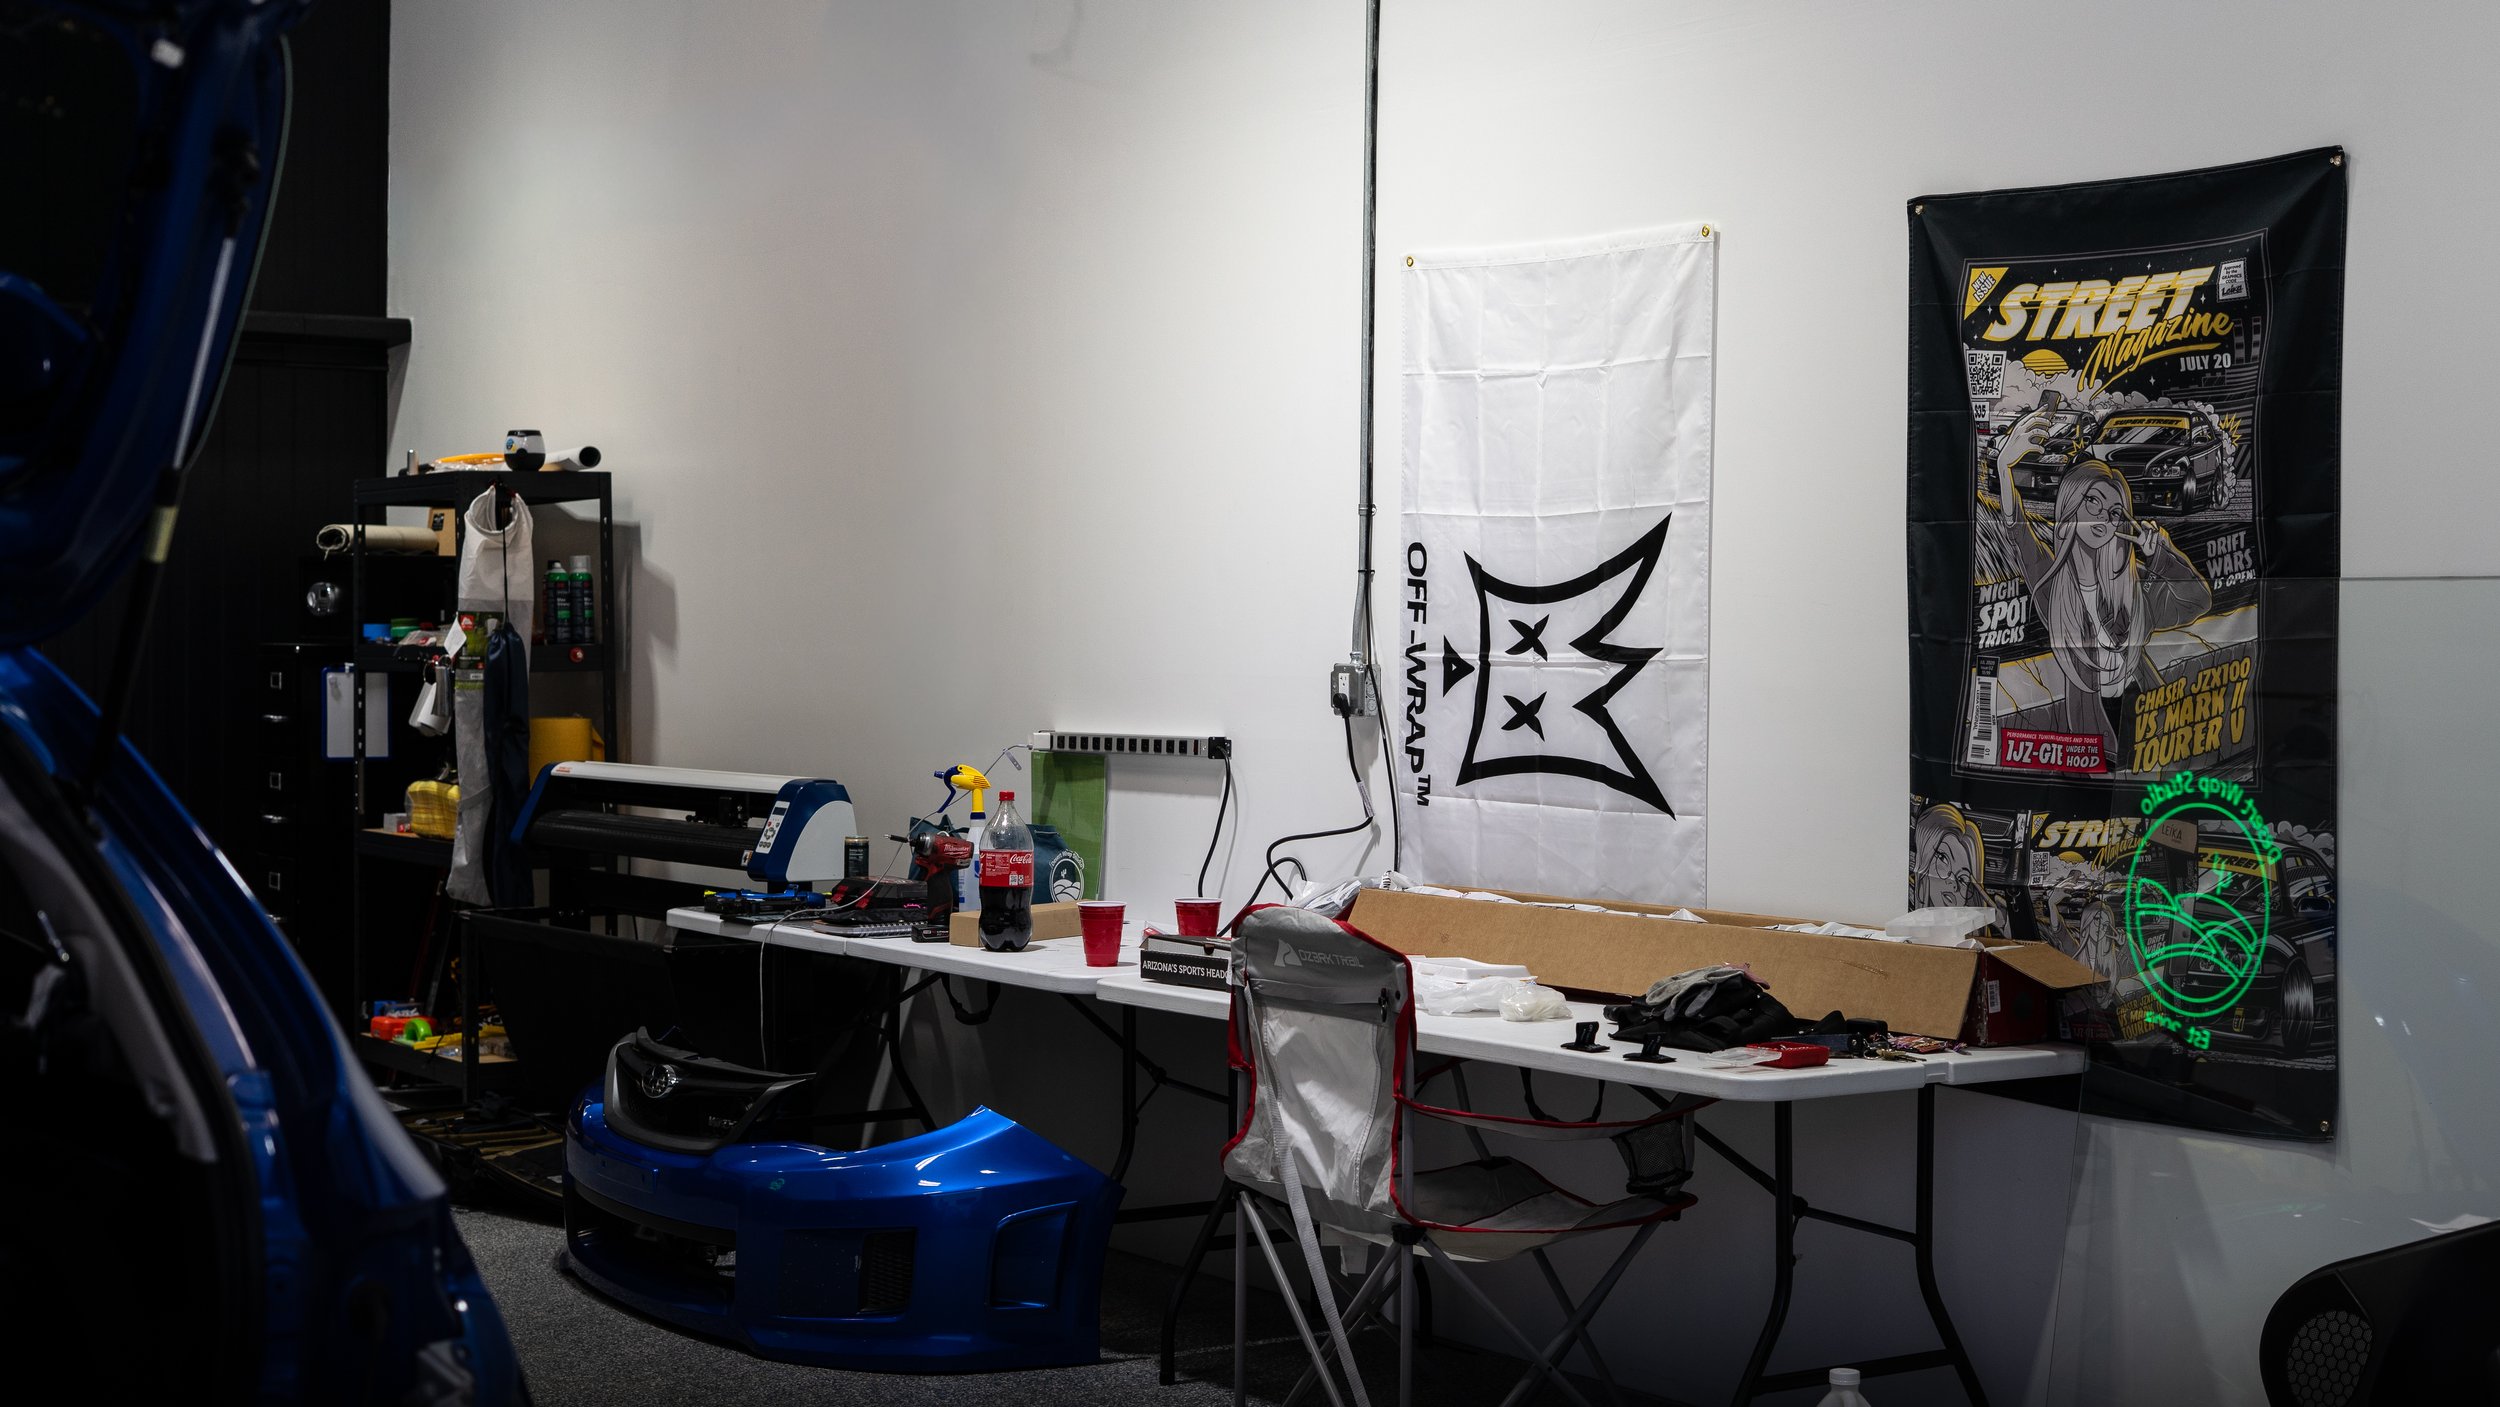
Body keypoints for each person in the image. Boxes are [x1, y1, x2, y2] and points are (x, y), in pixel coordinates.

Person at [1991, 407, 2211, 762]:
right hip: (2094, 732)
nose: (2102, 517)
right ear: (2072, 503)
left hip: (2149, 716)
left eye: (2113, 512)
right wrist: (2004, 468)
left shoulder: (2133, 585)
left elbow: (2198, 600)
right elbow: (2020, 535)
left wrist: (2161, 556)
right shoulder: (2053, 586)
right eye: (2093, 501)